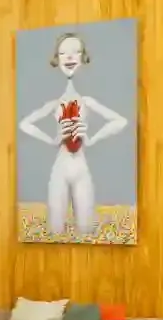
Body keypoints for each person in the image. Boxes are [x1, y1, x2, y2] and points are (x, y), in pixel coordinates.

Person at [18, 32, 129, 239]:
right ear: (56, 59)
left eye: (75, 52)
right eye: (63, 53)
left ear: (83, 58)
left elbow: (121, 121)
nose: (69, 57)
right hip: (59, 169)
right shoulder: (53, 103)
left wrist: (92, 138)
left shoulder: (87, 101)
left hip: (81, 167)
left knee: (86, 229)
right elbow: (24, 124)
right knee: (55, 230)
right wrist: (52, 139)